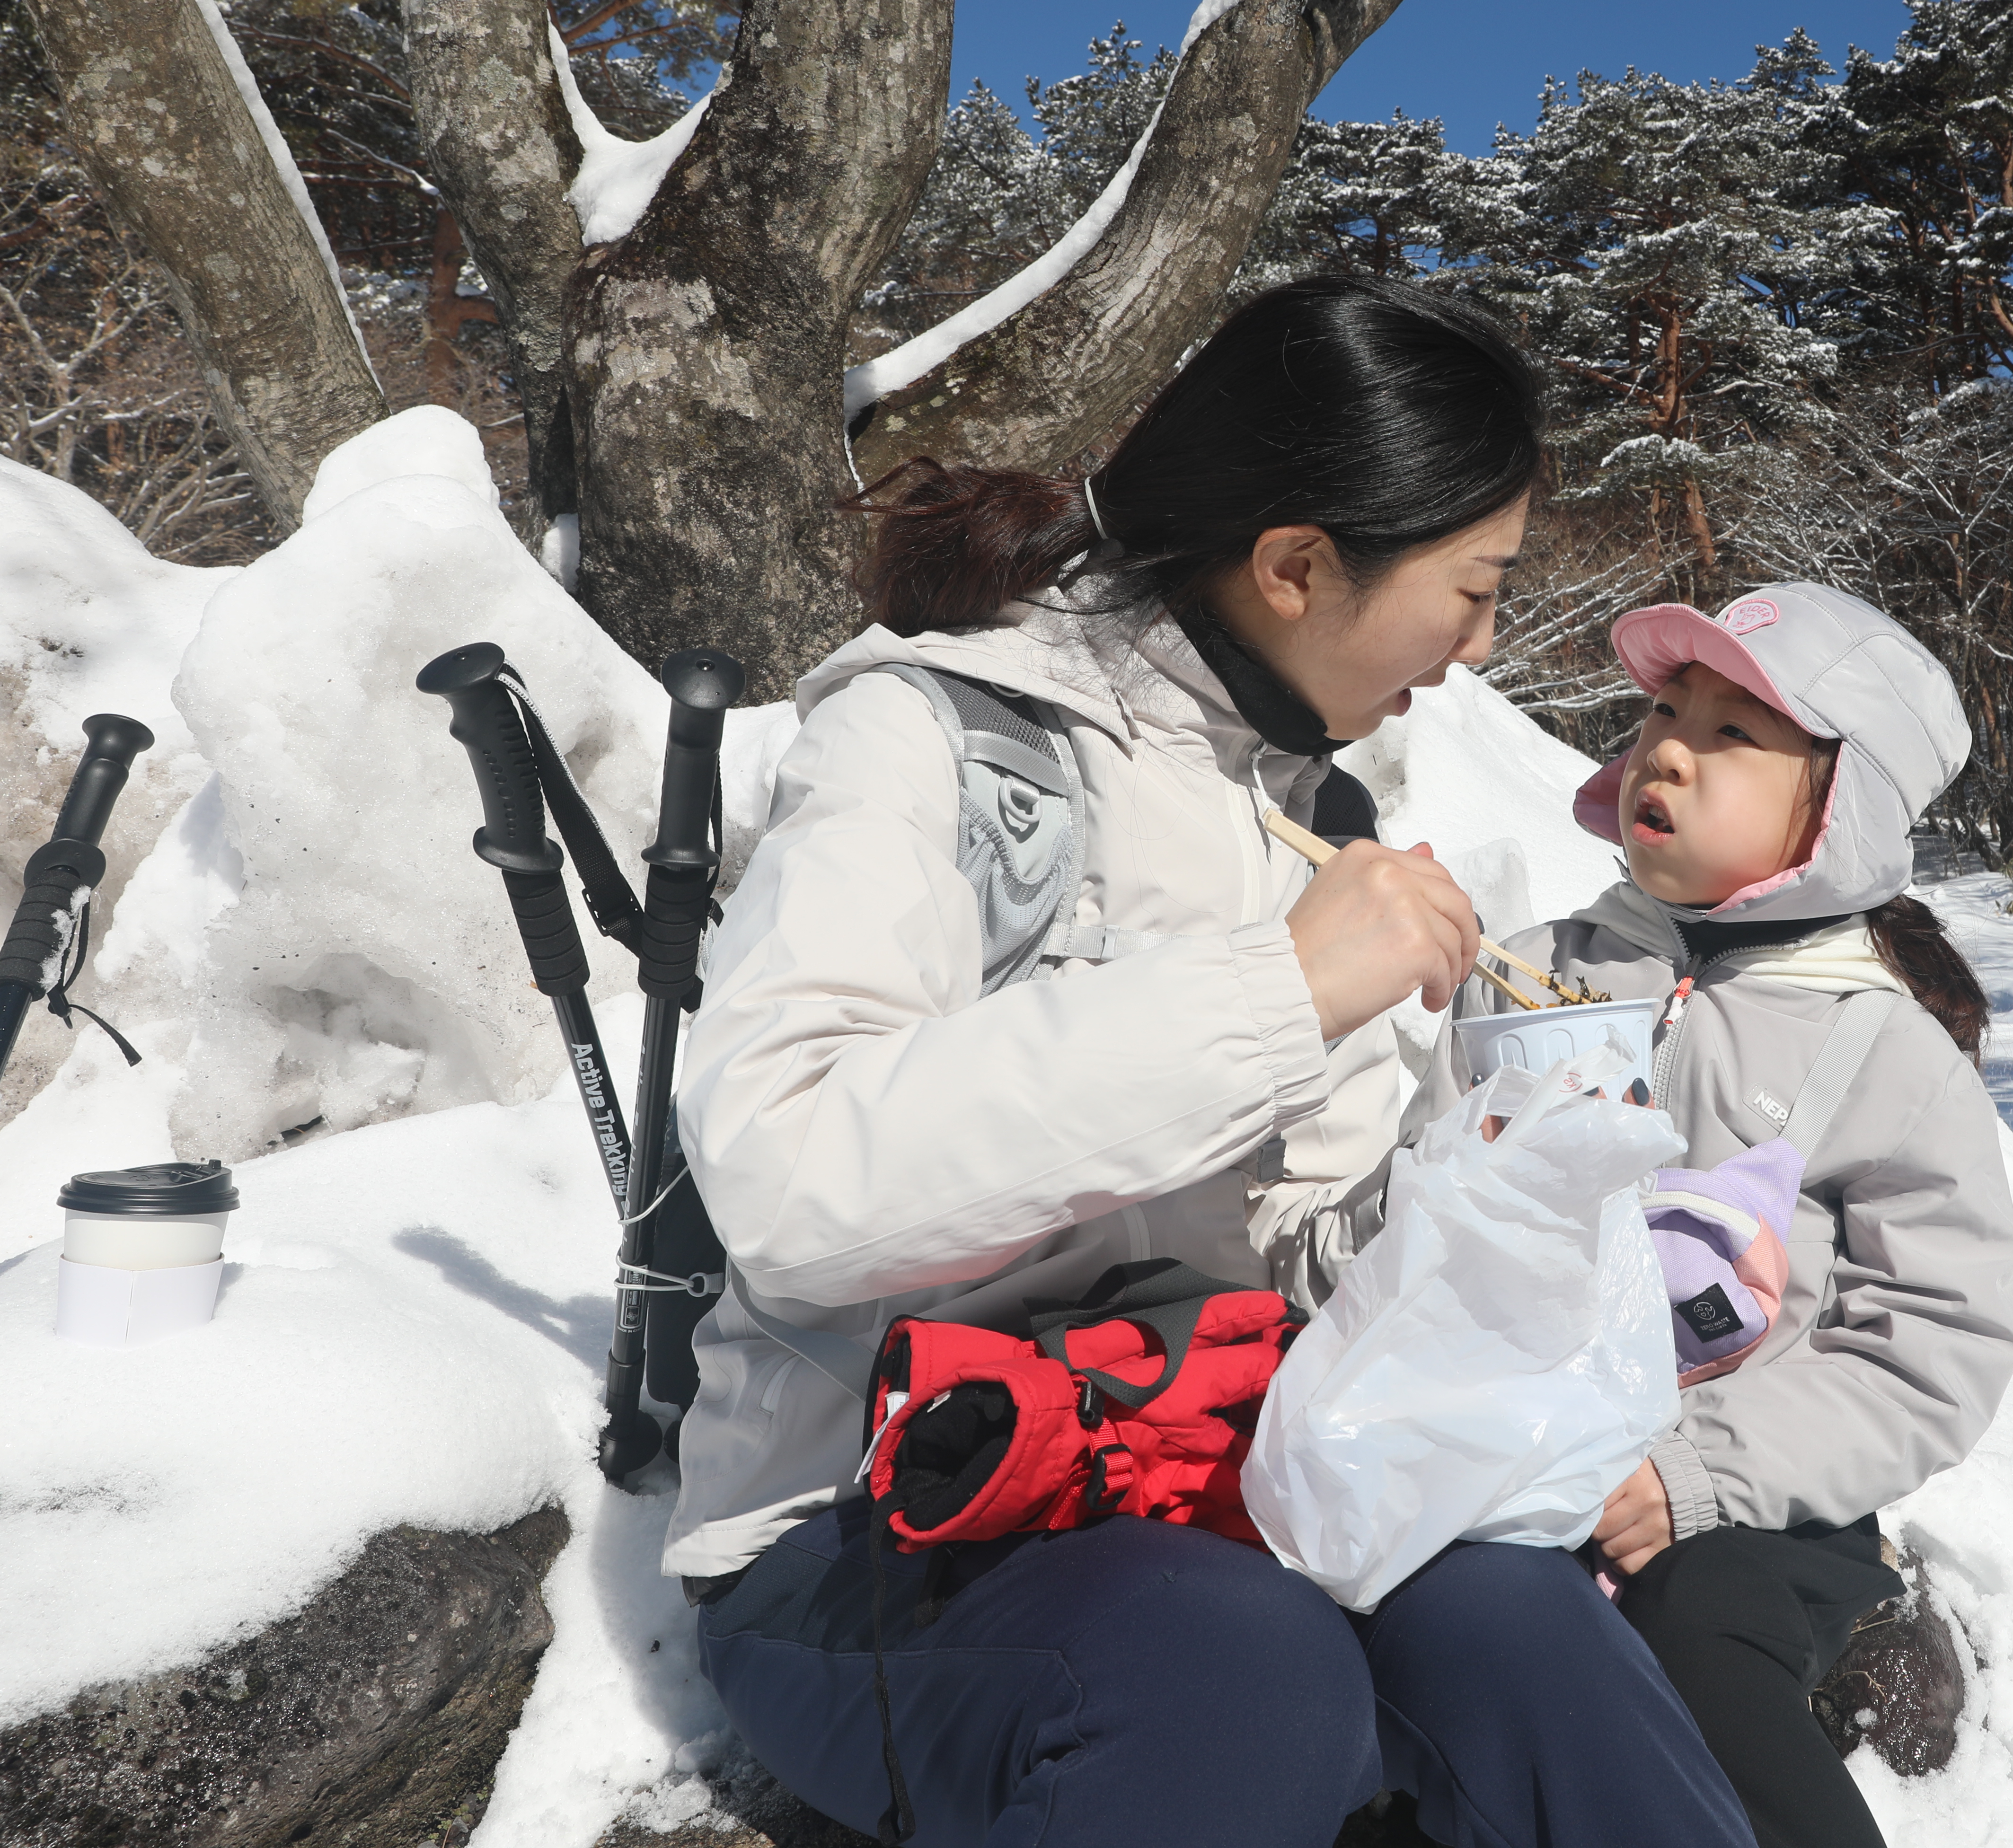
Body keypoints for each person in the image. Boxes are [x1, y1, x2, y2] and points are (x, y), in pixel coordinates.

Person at [669, 276, 1757, 1848]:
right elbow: (792, 1183)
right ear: (1300, 565)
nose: (1477, 651)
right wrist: (1281, 991)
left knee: (1528, 1639)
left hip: (1213, 1462)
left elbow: (1297, 1252)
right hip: (879, 1521)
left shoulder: (1320, 821)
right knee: (1241, 1667)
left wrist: (1516, 1176)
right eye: (1474, 589)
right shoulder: (937, 740)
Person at [1418, 581, 2013, 1848]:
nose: (1671, 749)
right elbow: (1416, 1207)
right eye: (1660, 711)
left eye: (1734, 732)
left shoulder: (1888, 1054)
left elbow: (1932, 1356)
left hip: (1756, 1510)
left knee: (1693, 1629)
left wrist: (1691, 1475)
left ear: (1839, 799)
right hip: (1511, 1466)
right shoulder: (1531, 973)